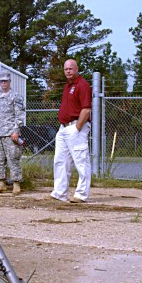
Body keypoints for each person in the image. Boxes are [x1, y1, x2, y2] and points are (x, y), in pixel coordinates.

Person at [50, 59, 92, 203]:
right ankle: (60, 193)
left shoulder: (82, 85)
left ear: (76, 69)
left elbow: (86, 109)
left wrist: (77, 127)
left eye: (71, 68)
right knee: (60, 161)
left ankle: (81, 194)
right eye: (66, 69)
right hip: (63, 128)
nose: (68, 71)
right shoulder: (67, 86)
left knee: (81, 160)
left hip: (76, 127)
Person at [0, 71, 25, 195]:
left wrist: (16, 131)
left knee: (13, 158)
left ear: (9, 82)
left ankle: (16, 184)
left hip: (10, 133)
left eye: (6, 81)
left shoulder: (16, 96)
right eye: (1, 81)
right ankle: (1, 183)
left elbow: (20, 115)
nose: (4, 83)